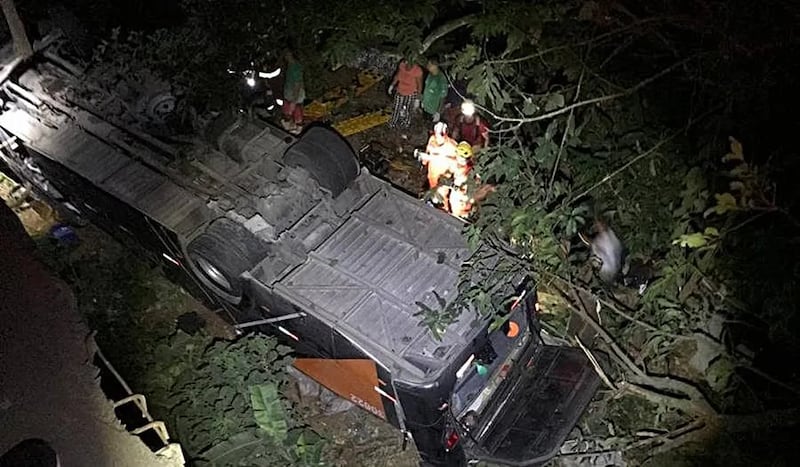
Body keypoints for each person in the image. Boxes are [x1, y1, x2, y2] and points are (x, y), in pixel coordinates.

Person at [419, 121, 457, 190]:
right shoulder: (432, 139)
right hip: (432, 175)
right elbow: (428, 151)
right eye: (437, 134)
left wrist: (432, 158)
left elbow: (457, 163)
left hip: (443, 180)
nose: (438, 137)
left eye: (441, 134)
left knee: (440, 197)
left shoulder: (452, 146)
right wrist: (424, 161)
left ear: (446, 133)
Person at [388, 58, 423, 130]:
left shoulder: (417, 70)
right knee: (397, 107)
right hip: (400, 90)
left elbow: (419, 85)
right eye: (406, 62)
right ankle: (393, 122)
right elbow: (397, 76)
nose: (407, 63)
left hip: (411, 92)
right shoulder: (402, 65)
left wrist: (417, 99)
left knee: (408, 109)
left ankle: (406, 123)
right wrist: (392, 85)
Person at [282, 50, 305, 132]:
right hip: (291, 97)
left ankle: (295, 130)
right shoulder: (291, 66)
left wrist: (294, 101)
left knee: (295, 115)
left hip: (294, 98)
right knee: (291, 115)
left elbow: (297, 85)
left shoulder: (295, 68)